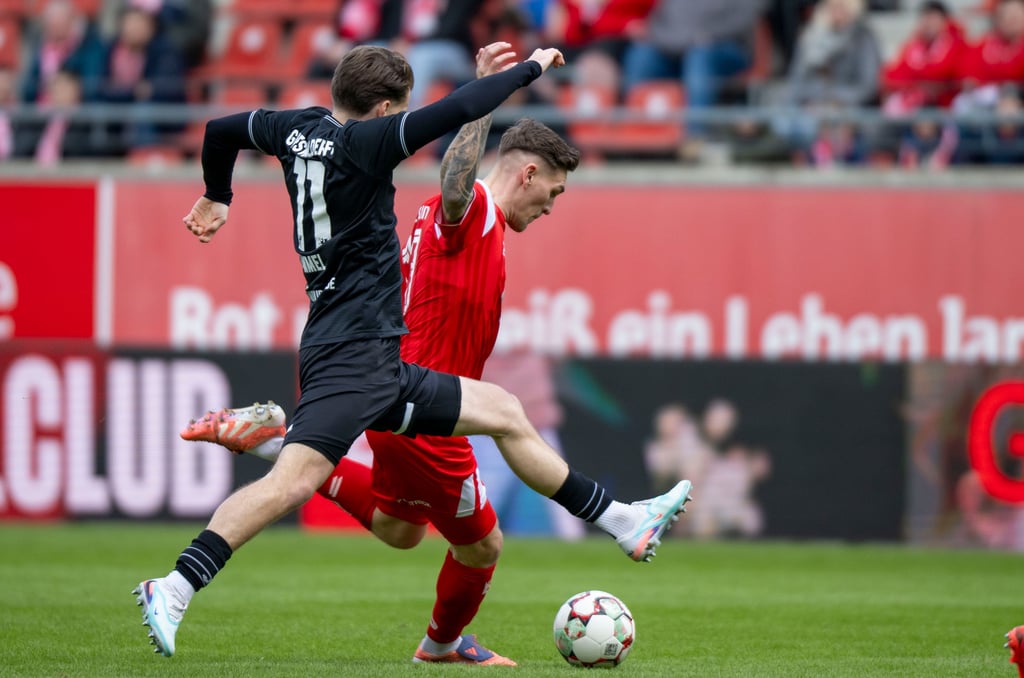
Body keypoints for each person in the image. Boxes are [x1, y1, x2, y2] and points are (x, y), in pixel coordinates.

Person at [134, 42, 692, 660]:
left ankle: (621, 520)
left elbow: (219, 129)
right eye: (399, 109)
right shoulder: (367, 145)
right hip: (357, 355)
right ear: (382, 110)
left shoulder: (295, 127)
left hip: (369, 354)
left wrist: (217, 194)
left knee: (495, 422)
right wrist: (527, 69)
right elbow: (455, 114)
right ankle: (176, 584)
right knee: (292, 485)